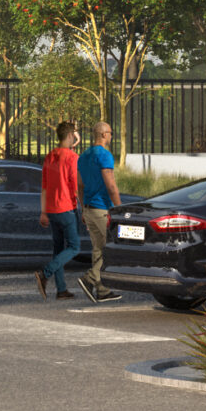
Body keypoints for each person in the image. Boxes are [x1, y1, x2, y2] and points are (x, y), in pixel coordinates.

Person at [77, 118, 126, 306]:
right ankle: (90, 279)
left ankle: (102, 290)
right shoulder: (104, 155)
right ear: (104, 135)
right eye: (111, 133)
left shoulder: (84, 156)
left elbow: (80, 185)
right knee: (110, 250)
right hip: (101, 209)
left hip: (89, 209)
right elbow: (111, 185)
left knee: (98, 249)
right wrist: (119, 207)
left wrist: (82, 208)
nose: (112, 136)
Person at [38, 120, 86, 299]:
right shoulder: (72, 158)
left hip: (50, 209)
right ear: (69, 136)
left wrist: (43, 212)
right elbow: (76, 186)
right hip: (66, 208)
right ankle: (45, 273)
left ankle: (61, 289)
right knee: (74, 247)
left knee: (58, 249)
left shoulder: (50, 156)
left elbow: (44, 186)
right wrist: (83, 209)